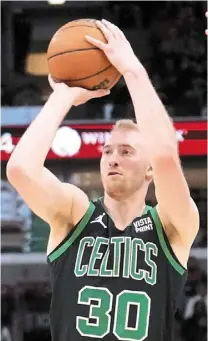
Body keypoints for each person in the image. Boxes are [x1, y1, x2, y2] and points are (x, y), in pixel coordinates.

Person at [7, 19, 199, 341]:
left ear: (149, 169)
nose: (112, 158)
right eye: (108, 151)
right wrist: (63, 96)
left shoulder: (172, 226)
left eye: (126, 152)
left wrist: (133, 71)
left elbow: (165, 155)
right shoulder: (76, 214)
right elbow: (20, 170)